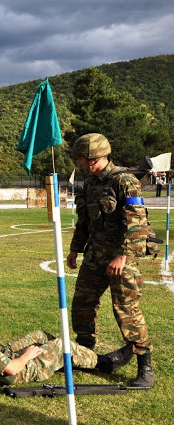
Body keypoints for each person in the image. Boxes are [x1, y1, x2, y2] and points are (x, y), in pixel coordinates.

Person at [67, 133, 155, 388]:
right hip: (94, 256)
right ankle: (85, 355)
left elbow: (138, 223)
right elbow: (84, 222)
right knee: (82, 304)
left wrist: (123, 255)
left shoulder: (125, 181)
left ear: (94, 157)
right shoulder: (90, 184)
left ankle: (145, 369)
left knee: (127, 311)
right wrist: (75, 250)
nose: (80, 164)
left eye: (82, 159)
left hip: (121, 258)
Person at [0, 290, 134, 391]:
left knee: (40, 335)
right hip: (13, 372)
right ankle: (105, 364)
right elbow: (12, 369)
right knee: (62, 345)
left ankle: (70, 360)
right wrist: (27, 356)